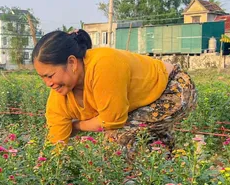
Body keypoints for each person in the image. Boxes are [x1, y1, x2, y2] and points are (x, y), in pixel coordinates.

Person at [32, 29, 197, 159]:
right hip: (141, 103)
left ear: (72, 62)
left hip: (172, 89)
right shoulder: (59, 98)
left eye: (50, 75)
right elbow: (56, 144)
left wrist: (76, 126)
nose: (48, 83)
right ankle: (168, 170)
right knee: (146, 143)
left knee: (118, 139)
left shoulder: (103, 64)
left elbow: (112, 121)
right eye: (43, 78)